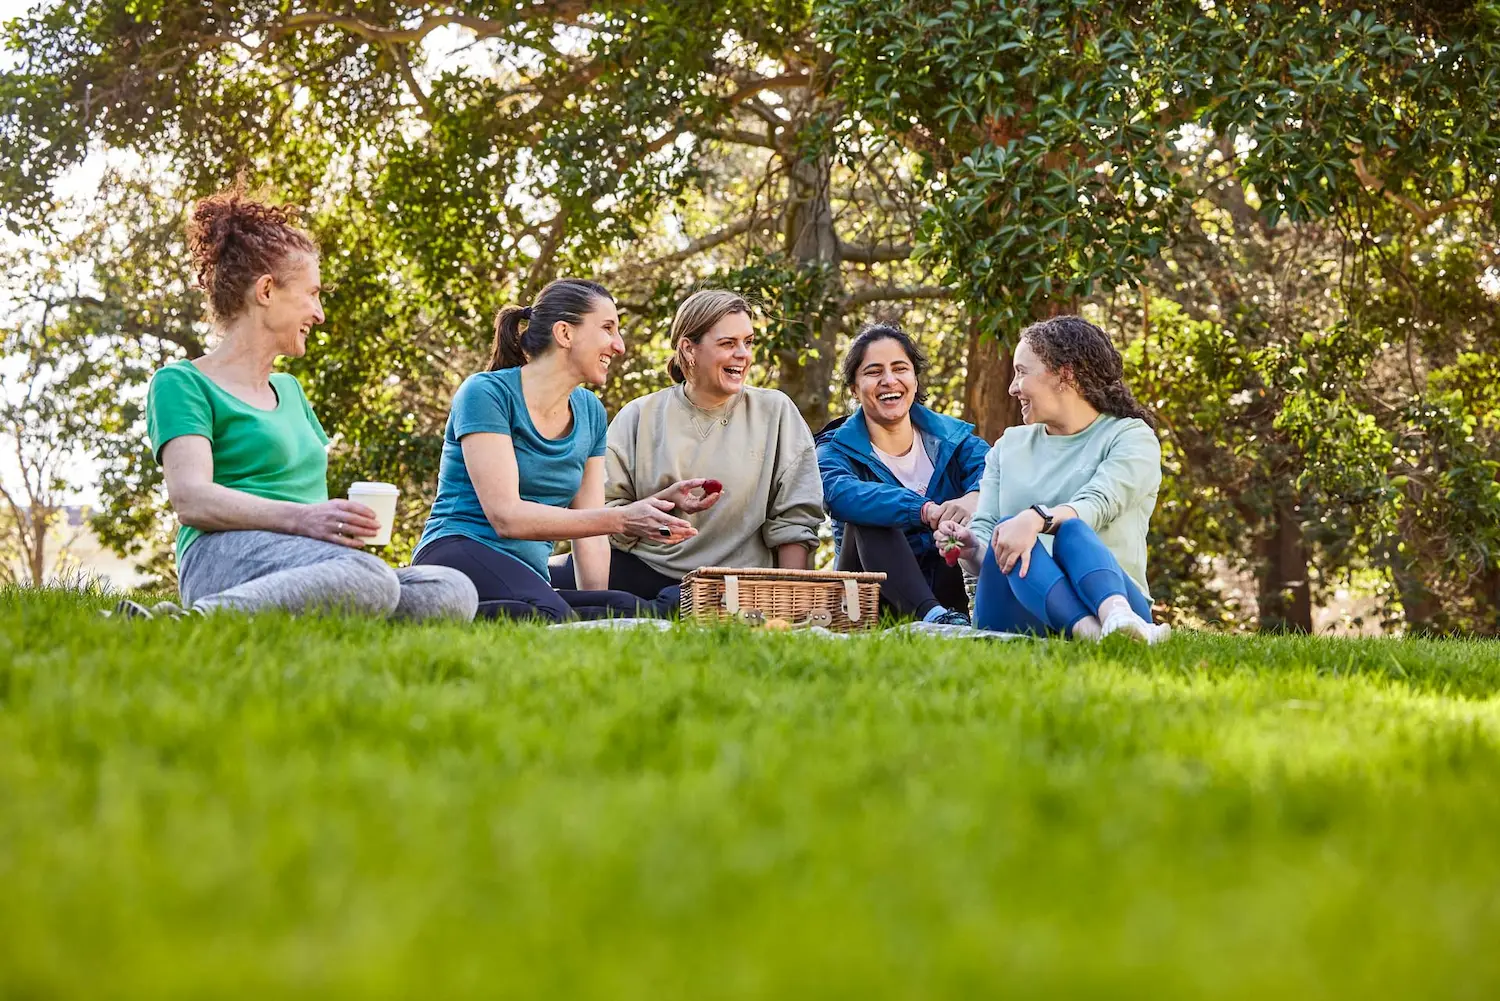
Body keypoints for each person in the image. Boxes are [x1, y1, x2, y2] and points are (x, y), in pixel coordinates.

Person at [123, 187, 478, 622]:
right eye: (311, 294)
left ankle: (338, 618)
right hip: (221, 555)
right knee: (371, 580)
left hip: (301, 556)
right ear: (267, 291)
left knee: (450, 588)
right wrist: (304, 520)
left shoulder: (290, 390)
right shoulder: (182, 382)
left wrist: (336, 524)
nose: (320, 313)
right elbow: (191, 500)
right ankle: (185, 623)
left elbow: (305, 502)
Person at [412, 278, 707, 622]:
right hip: (458, 551)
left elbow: (592, 533)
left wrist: (603, 610)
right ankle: (418, 604)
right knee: (548, 613)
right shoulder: (485, 394)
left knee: (625, 611)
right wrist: (622, 518)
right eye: (608, 328)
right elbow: (505, 517)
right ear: (565, 333)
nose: (619, 346)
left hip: (525, 574)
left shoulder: (590, 411)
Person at [549, 289, 824, 605]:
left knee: (661, 606)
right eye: (727, 343)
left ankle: (651, 610)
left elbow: (794, 520)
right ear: (689, 349)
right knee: (535, 578)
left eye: (748, 343)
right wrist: (659, 506)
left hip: (729, 586)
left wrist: (790, 600)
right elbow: (599, 514)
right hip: (642, 567)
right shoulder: (639, 415)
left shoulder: (775, 412)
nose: (743, 354)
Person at [938, 315, 1170, 642]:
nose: (1012, 387)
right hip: (1014, 611)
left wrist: (1036, 519)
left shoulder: (1131, 437)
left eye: (1021, 372)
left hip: (1106, 596)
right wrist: (969, 545)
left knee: (1072, 529)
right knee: (1008, 526)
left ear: (1064, 375)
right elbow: (987, 537)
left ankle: (1114, 618)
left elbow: (1099, 503)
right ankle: (1095, 634)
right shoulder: (1009, 446)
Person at [815, 323, 988, 625]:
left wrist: (972, 498)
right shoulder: (834, 449)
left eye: (900, 368)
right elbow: (841, 494)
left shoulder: (952, 438)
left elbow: (997, 469)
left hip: (948, 593)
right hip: (868, 600)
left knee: (956, 530)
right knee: (869, 513)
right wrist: (922, 510)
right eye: (873, 372)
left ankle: (949, 618)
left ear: (915, 379)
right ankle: (931, 616)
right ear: (854, 388)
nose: (889, 380)